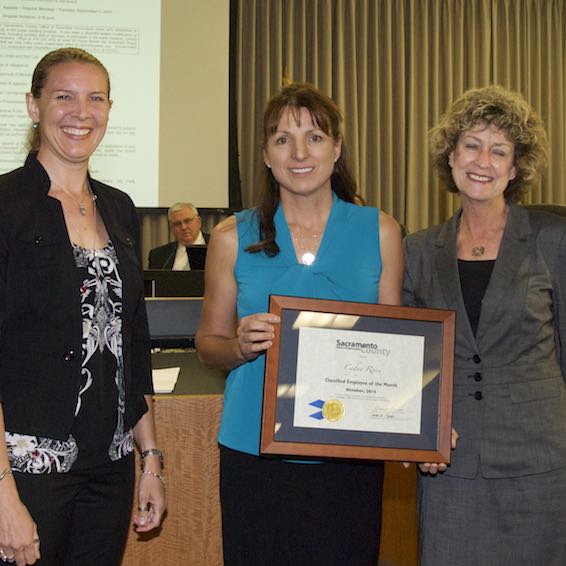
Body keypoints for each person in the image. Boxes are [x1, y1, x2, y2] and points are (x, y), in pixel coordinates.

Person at [196, 82, 403, 565]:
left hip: (350, 451)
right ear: (266, 155)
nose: (299, 152)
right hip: (253, 449)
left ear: (337, 148)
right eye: (282, 139)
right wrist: (240, 346)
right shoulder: (230, 236)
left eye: (314, 136)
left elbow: (395, 349)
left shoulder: (382, 232)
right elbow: (208, 342)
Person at [0, 48, 166, 565]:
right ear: (33, 105)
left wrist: (152, 462)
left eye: (95, 98)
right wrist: (3, 498)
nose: (81, 112)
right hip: (27, 471)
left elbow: (131, 346)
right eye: (63, 96)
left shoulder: (119, 208)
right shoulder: (5, 206)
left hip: (110, 471)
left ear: (110, 109)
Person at [404, 85, 566, 564]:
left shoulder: (552, 241)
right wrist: (420, 429)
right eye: (472, 145)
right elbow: (410, 360)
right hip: (449, 461)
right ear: (451, 156)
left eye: (499, 151)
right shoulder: (417, 250)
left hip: (541, 458)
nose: (483, 161)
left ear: (515, 168)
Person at [148, 202, 208, 269]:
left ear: (198, 222)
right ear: (171, 228)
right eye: (177, 224)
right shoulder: (158, 256)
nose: (183, 227)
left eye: (187, 221)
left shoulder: (218, 246)